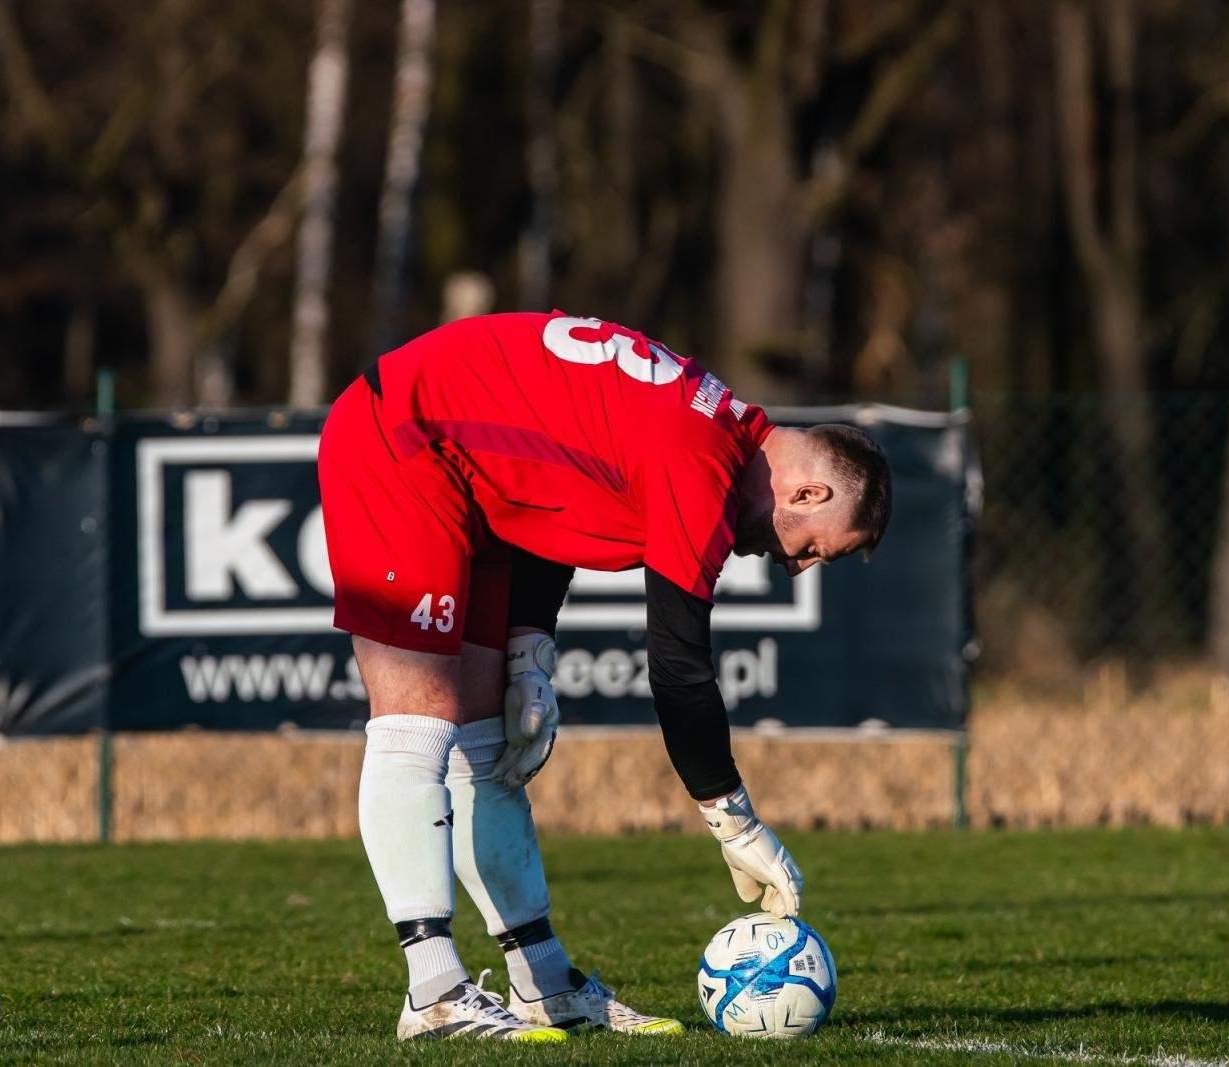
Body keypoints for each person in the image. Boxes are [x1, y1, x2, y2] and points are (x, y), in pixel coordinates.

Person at [317, 311, 892, 1042]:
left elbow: (560, 480)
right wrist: (732, 818)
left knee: (488, 740)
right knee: (419, 719)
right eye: (817, 550)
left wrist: (530, 645)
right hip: (403, 434)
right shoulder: (703, 457)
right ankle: (433, 990)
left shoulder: (714, 427)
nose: (796, 564)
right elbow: (679, 666)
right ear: (809, 494)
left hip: (472, 473)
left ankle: (542, 980)